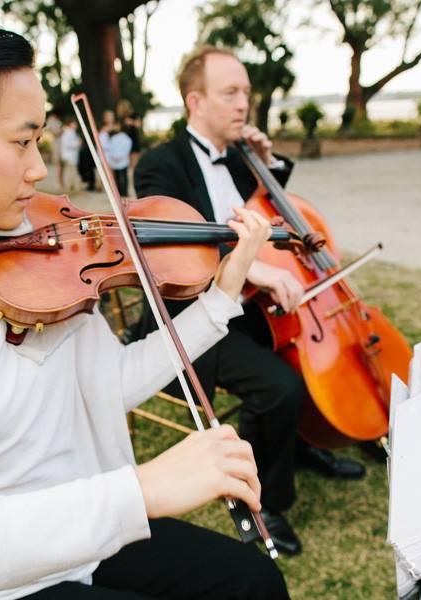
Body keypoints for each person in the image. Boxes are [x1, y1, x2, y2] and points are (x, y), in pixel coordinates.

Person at [0, 12, 290, 600]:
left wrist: (220, 299)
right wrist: (138, 492)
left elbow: (107, 384)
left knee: (252, 583)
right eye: (21, 142)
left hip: (85, 544)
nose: (40, 169)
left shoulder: (38, 249)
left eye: (39, 139)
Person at [132, 46, 366, 557]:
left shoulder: (241, 156)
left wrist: (266, 161)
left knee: (302, 361)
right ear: (196, 100)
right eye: (230, 93)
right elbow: (171, 241)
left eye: (246, 93)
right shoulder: (159, 163)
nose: (244, 104)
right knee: (278, 386)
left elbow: (270, 213)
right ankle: (266, 501)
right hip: (190, 315)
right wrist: (251, 266)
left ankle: (299, 445)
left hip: (248, 309)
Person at [99, 109, 133, 195]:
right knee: (106, 172)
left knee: (113, 173)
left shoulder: (117, 129)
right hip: (107, 151)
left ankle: (115, 191)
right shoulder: (105, 128)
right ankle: (107, 190)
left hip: (113, 152)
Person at [58, 116, 81, 192]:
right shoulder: (68, 132)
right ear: (71, 124)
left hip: (70, 156)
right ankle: (72, 187)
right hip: (69, 156)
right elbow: (67, 144)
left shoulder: (70, 132)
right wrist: (77, 143)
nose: (76, 125)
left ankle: (72, 187)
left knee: (71, 172)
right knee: (72, 172)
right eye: (74, 123)